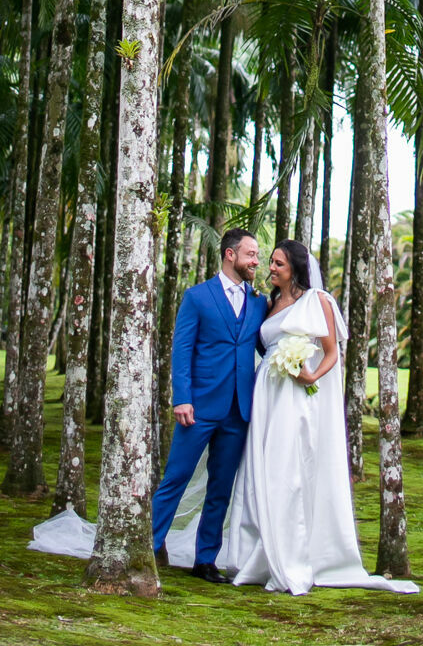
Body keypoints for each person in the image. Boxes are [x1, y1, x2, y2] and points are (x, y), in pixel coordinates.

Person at [169, 239, 418, 597]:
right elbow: (252, 344)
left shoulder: (318, 301)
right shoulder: (266, 304)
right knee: (256, 470)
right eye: (268, 261)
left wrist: (311, 375)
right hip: (262, 397)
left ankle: (289, 554)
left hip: (292, 399)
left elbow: (331, 353)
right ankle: (251, 553)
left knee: (287, 471)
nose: (269, 267)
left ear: (295, 269)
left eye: (278, 264)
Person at [150, 226, 266, 582]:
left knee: (221, 487)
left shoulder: (259, 302)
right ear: (230, 254)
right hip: (198, 407)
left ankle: (205, 560)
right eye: (251, 254)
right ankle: (149, 547)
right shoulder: (197, 297)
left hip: (239, 410)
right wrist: (182, 399)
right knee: (176, 477)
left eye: (257, 255)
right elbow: (182, 350)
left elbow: (267, 347)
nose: (256, 261)